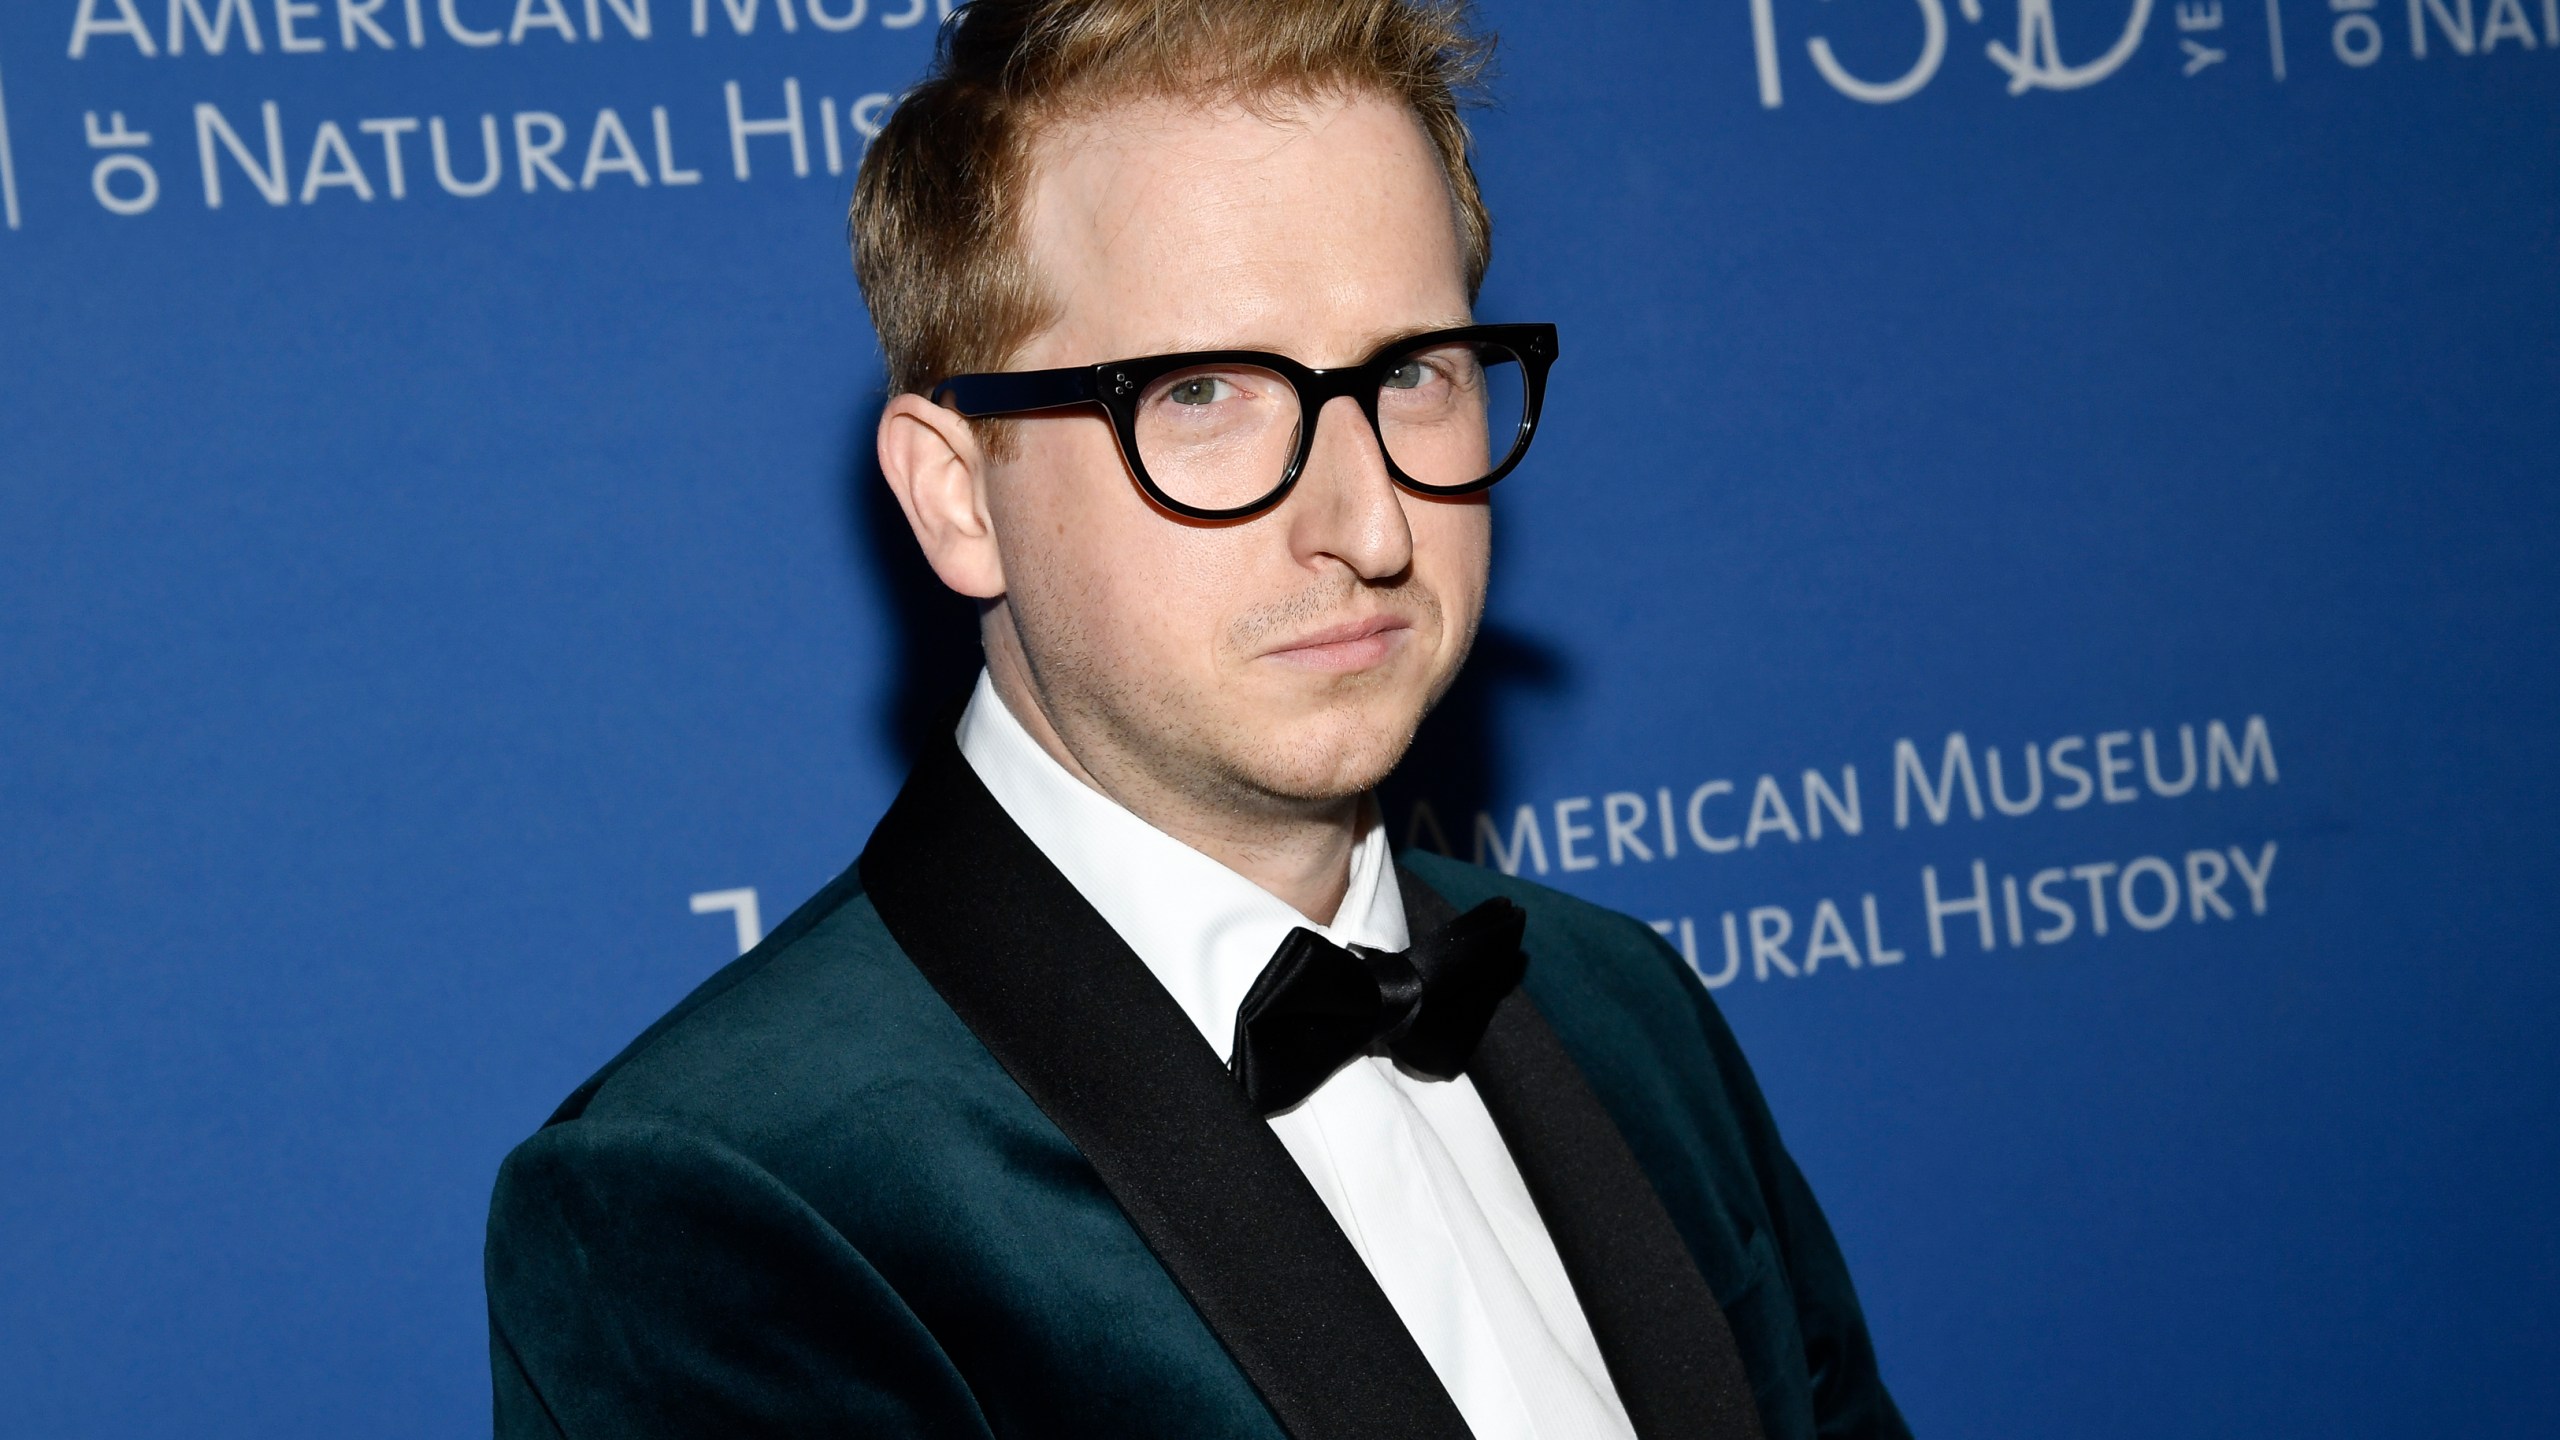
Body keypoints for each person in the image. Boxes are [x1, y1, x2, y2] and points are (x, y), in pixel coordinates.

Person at [482, 1, 1910, 1436]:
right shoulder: (727, 1192)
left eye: (1412, 370)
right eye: (1203, 392)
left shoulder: (1623, 1009)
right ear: (958, 497)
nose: (1366, 524)